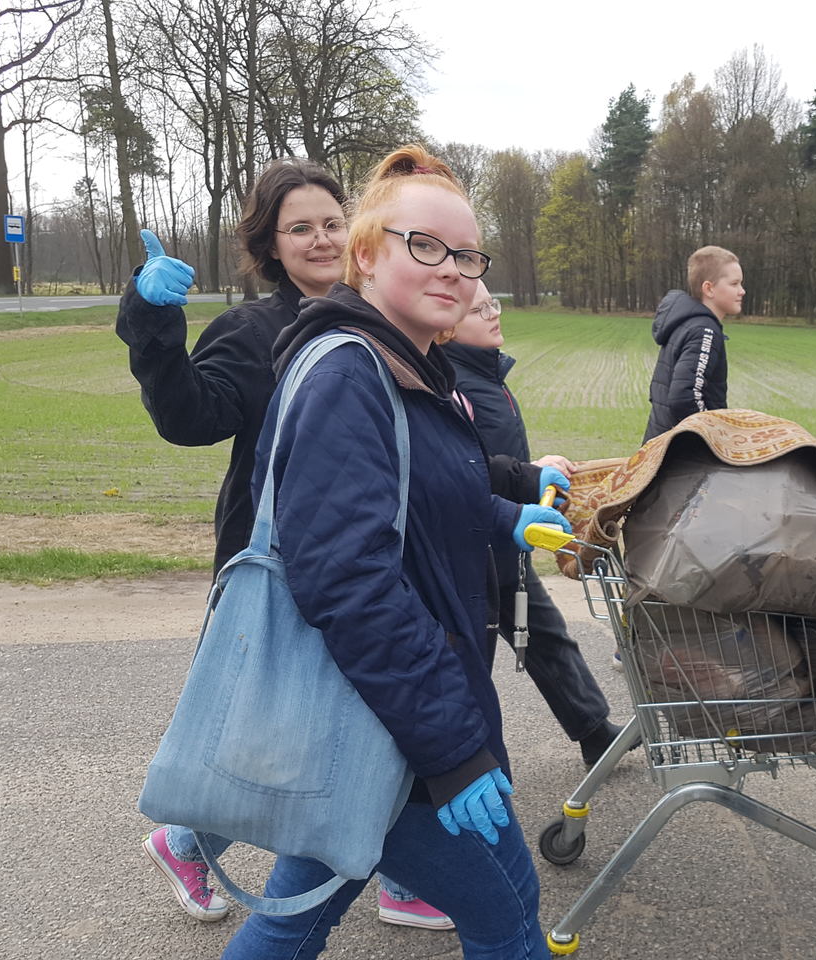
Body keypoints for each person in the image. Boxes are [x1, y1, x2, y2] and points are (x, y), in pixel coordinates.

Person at [217, 144, 562, 959]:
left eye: (469, 256)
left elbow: (425, 489)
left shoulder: (412, 364)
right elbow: (350, 582)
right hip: (384, 723)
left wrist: (505, 508)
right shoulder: (353, 374)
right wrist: (449, 751)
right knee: (508, 912)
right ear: (366, 256)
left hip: (379, 713)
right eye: (426, 246)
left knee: (295, 919)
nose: (454, 272)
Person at [116, 159, 449, 930]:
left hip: (377, 553)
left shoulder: (380, 317)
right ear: (271, 245)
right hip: (284, 563)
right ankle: (188, 840)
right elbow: (189, 418)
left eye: (332, 222)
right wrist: (152, 321)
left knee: (373, 712)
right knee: (279, 729)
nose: (321, 238)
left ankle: (394, 863)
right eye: (299, 228)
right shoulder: (254, 330)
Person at [442, 281, 628, 767]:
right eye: (478, 308)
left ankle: (595, 733)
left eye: (493, 302)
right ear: (448, 325)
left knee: (546, 636)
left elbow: (494, 460)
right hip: (478, 548)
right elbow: (464, 471)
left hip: (506, 543)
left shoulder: (486, 376)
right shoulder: (456, 383)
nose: (493, 313)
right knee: (469, 658)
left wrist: (534, 468)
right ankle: (460, 762)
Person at [642, 245, 744, 443]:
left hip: (662, 442)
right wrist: (715, 436)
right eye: (734, 284)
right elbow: (685, 397)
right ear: (709, 288)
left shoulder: (688, 323)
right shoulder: (704, 331)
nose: (742, 291)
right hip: (680, 455)